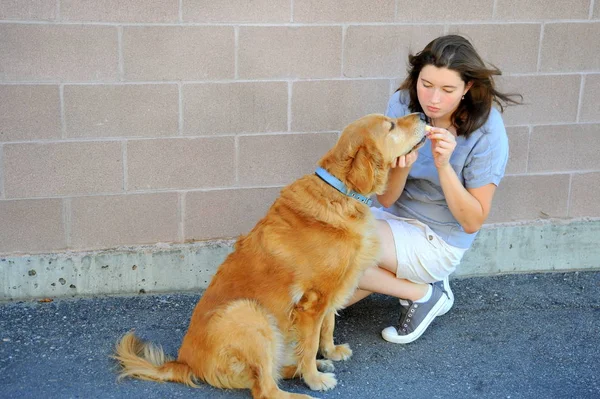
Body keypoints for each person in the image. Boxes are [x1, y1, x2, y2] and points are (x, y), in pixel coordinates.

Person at [345, 34, 522, 344]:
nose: (433, 99)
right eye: (426, 85)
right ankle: (411, 281)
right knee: (325, 284)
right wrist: (403, 165)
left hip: (439, 238)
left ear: (467, 88)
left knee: (341, 250)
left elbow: (472, 221)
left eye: (447, 89)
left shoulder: (488, 131)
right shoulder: (402, 104)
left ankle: (424, 292)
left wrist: (443, 165)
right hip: (392, 219)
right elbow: (386, 198)